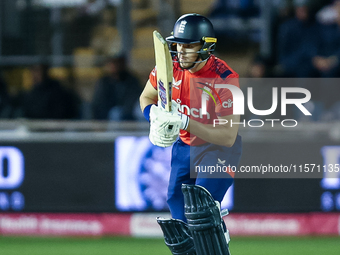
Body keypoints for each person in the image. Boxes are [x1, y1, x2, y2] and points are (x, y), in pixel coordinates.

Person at [139, 13, 242, 255]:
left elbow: (227, 136)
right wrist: (153, 117)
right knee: (181, 224)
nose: (181, 51)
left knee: (201, 206)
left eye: (188, 46)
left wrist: (185, 121)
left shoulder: (225, 79)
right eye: (178, 45)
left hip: (218, 149)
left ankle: (215, 231)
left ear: (207, 46)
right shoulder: (169, 69)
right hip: (184, 149)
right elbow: (146, 97)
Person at [91, 55, 142, 120]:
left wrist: (124, 110)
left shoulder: (132, 80)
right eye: (113, 63)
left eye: (118, 62)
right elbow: (98, 102)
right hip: (107, 116)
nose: (115, 65)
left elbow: (133, 99)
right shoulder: (104, 81)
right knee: (114, 113)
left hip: (128, 115)